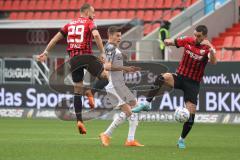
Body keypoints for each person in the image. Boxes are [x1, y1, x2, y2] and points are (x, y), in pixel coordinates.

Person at [133, 25, 217, 149]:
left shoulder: (207, 48)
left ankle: (181, 140)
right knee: (162, 77)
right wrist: (166, 41)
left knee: (191, 116)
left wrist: (212, 50)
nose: (196, 37)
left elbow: (214, 62)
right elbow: (171, 42)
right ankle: (146, 103)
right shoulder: (188, 40)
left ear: (204, 36)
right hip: (180, 77)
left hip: (192, 84)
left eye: (198, 36)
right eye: (195, 34)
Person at [37, 3, 108, 135]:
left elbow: (55, 38)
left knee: (77, 90)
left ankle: (79, 121)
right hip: (86, 57)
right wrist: (102, 53)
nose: (94, 15)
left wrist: (46, 52)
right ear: (87, 13)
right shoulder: (89, 22)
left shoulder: (69, 24)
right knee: (105, 77)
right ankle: (90, 91)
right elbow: (97, 36)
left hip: (73, 59)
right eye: (93, 12)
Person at [99, 26, 144, 147]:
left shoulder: (112, 48)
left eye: (120, 35)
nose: (120, 38)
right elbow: (107, 67)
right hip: (115, 86)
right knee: (131, 112)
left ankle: (124, 138)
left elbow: (106, 70)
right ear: (111, 35)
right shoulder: (110, 47)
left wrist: (123, 71)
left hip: (119, 84)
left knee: (135, 107)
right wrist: (125, 68)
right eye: (117, 36)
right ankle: (118, 137)